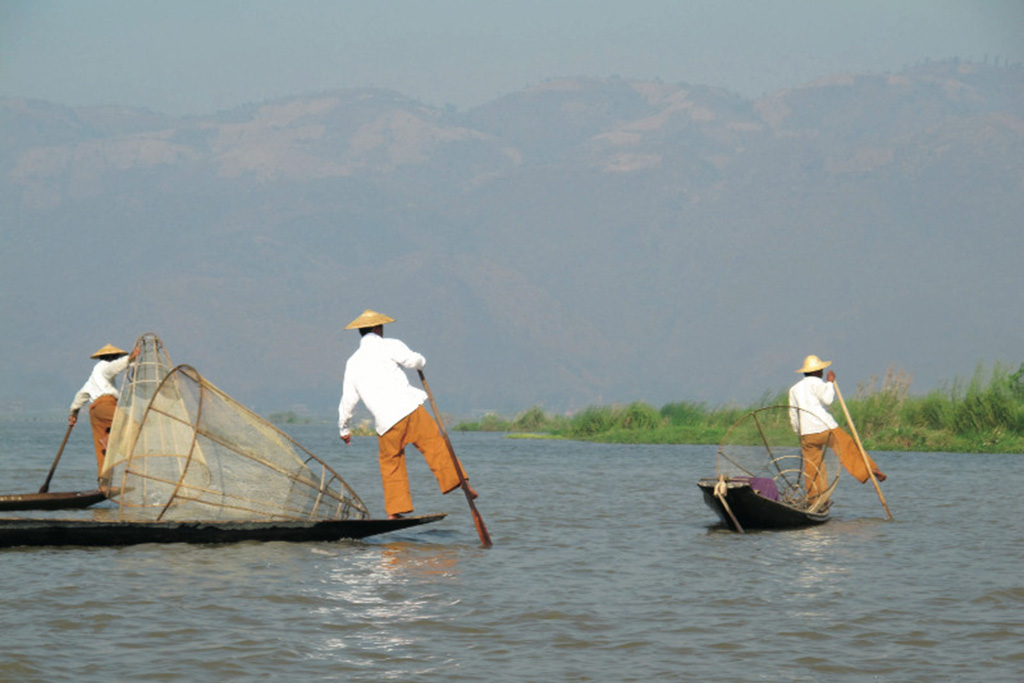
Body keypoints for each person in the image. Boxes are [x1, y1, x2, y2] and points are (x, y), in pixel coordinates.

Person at [338, 309, 477, 519]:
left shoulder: (352, 362)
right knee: (435, 446)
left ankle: (395, 511)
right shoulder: (390, 345)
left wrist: (344, 428)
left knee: (391, 464)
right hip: (409, 410)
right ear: (378, 328)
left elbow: (348, 399)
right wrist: (420, 359)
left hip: (385, 422)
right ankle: (460, 482)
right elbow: (414, 362)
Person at [789, 354, 886, 503]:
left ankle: (816, 499)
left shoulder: (794, 389)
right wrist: (830, 382)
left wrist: (799, 431)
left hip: (807, 433)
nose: (822, 372)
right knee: (847, 448)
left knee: (812, 467)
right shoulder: (818, 383)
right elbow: (827, 399)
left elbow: (793, 414)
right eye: (820, 370)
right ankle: (869, 469)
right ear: (816, 372)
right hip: (826, 428)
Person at [69, 343, 140, 478]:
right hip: (105, 405)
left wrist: (73, 413)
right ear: (111, 357)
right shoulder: (103, 367)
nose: (117, 358)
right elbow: (112, 368)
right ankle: (108, 440)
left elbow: (80, 396)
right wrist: (129, 358)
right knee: (133, 425)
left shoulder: (93, 378)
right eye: (116, 356)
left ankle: (104, 483)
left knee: (101, 450)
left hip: (95, 412)